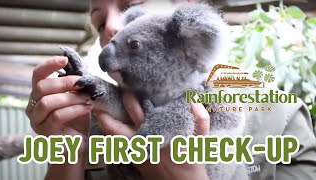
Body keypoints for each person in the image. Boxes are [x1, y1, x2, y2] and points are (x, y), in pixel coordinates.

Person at [25, 0, 316, 180]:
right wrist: (66, 153)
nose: (113, 26)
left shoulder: (277, 114)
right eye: (100, 23)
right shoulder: (95, 123)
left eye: (131, 4)